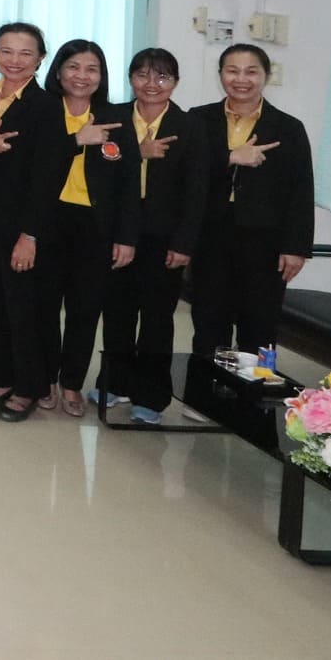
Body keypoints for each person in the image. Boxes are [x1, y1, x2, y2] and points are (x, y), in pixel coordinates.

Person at [96, 48, 208, 425]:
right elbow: (100, 168)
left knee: (157, 318)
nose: (151, 84)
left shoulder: (189, 126)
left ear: (175, 83)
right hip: (117, 231)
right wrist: (137, 152)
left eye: (162, 77)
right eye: (142, 75)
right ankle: (115, 383)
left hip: (164, 237)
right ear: (130, 78)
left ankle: (151, 395)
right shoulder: (112, 117)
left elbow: (196, 191)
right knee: (117, 312)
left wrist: (184, 243)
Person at [0, 23, 67, 423]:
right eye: (6, 51)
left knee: (23, 307)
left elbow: (47, 178)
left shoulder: (46, 107)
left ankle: (29, 387)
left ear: (41, 59)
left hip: (20, 224)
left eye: (26, 53)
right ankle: (0, 380)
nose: (15, 60)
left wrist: (30, 234)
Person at [188, 45, 314, 359]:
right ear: (220, 75)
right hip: (210, 235)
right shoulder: (198, 119)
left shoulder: (289, 128)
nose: (241, 79)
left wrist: (296, 247)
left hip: (265, 241)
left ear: (266, 76)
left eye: (251, 71)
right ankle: (206, 388)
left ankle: (255, 389)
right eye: (232, 71)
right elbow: (187, 172)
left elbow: (301, 191)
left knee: (259, 327)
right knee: (208, 322)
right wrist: (231, 157)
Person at [37, 39, 139, 417]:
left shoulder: (116, 118)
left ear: (102, 76)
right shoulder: (43, 111)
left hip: (96, 226)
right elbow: (35, 164)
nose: (82, 76)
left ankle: (71, 383)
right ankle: (45, 379)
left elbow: (129, 184)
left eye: (92, 69)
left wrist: (126, 237)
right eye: (74, 67)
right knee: (44, 307)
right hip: (48, 220)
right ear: (59, 71)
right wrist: (77, 140)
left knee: (85, 309)